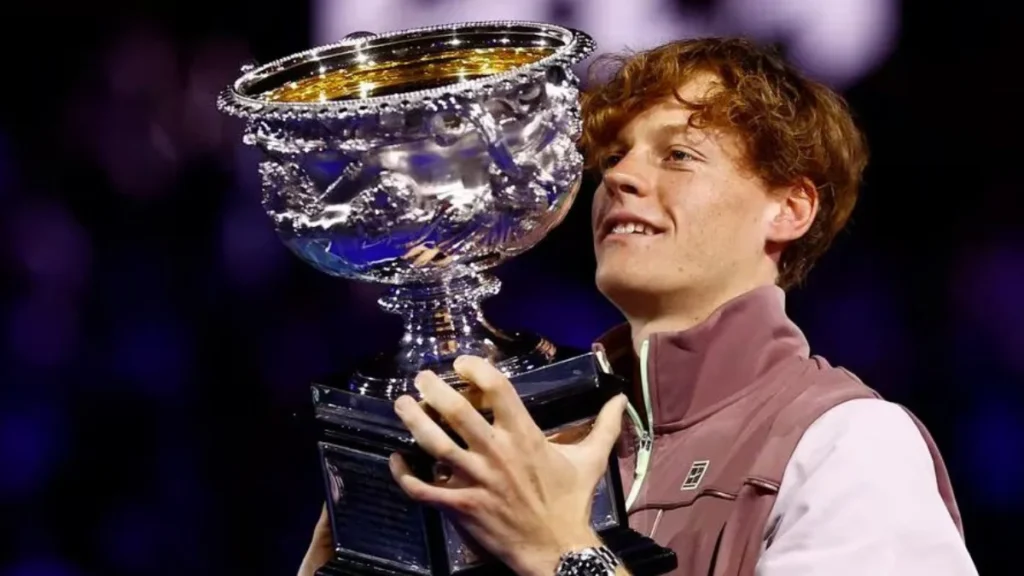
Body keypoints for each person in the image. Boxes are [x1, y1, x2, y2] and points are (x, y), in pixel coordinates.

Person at [298, 38, 978, 576]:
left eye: (678, 155)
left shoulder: (848, 443)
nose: (619, 176)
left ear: (790, 208)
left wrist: (563, 557)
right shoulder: (534, 441)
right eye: (615, 157)